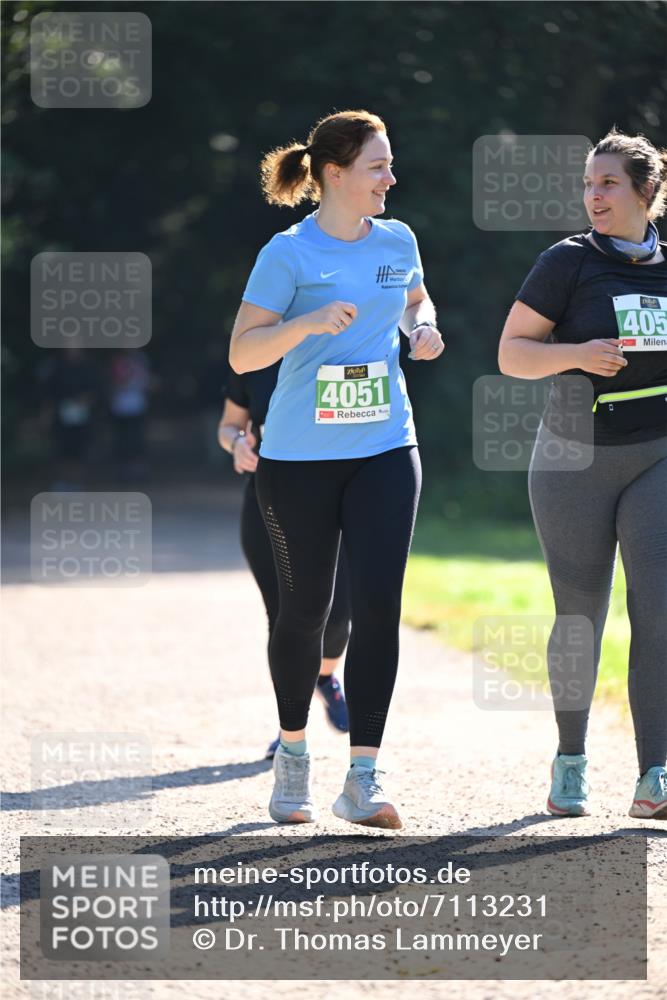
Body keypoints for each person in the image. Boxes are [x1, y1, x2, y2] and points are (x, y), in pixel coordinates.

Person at [229, 109, 443, 828]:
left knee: (379, 607)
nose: (390, 177)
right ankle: (293, 758)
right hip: (298, 460)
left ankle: (362, 776)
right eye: (377, 166)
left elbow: (414, 297)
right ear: (333, 174)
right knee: (304, 612)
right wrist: (303, 325)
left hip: (385, 445)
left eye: (388, 164)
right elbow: (242, 353)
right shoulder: (286, 253)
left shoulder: (398, 239)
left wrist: (420, 328)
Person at [499, 129, 667, 820]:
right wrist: (576, 353)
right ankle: (570, 759)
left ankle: (653, 773)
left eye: (607, 184)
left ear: (645, 193)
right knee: (579, 617)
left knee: (657, 611)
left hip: (656, 453)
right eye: (587, 184)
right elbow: (511, 354)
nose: (592, 196)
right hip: (572, 459)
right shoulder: (566, 261)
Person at [218, 360, 351, 758]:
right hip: (265, 501)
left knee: (339, 615)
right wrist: (236, 444)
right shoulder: (253, 355)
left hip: (332, 498)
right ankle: (291, 730)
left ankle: (325, 677)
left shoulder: (339, 349)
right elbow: (229, 425)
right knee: (285, 621)